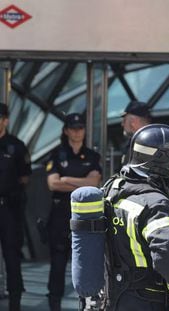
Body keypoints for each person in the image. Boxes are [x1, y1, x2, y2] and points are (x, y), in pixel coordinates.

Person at [103, 124, 169, 310]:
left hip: (113, 297)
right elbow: (166, 251)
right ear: (161, 161)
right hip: (146, 300)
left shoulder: (112, 190)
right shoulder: (155, 204)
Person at [45, 113, 102, 311]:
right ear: (66, 130)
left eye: (80, 128)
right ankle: (54, 304)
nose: (77, 131)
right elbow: (53, 184)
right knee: (58, 265)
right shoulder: (56, 154)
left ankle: (87, 305)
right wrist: (82, 183)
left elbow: (94, 182)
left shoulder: (93, 156)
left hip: (86, 220)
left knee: (86, 264)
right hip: (60, 218)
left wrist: (66, 179)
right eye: (73, 128)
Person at [0, 103, 31, 311]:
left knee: (12, 256)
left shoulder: (16, 146)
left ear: (6, 120)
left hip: (9, 210)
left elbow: (24, 177)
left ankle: (15, 304)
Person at [120, 100, 151, 165]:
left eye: (124, 120)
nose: (122, 124)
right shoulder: (155, 140)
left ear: (133, 122)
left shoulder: (152, 143)